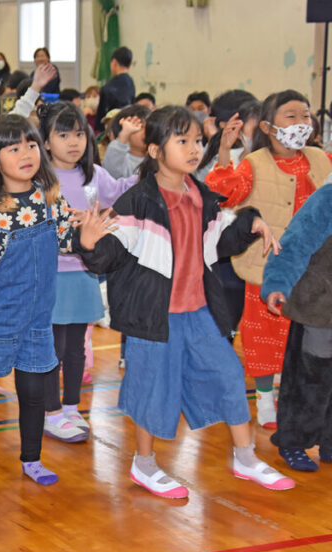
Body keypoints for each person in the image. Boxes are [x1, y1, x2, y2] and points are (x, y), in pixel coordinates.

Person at [75, 105, 292, 497]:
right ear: (156, 151)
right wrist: (90, 244)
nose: (194, 149)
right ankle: (144, 464)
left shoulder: (201, 196)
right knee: (152, 388)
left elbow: (222, 240)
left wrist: (251, 222)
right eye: (182, 141)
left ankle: (245, 457)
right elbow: (112, 251)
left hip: (199, 312)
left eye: (197, 141)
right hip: (154, 316)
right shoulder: (139, 202)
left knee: (229, 374)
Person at [0, 114, 83, 486]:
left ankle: (32, 459)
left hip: (37, 317)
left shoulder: (48, 196)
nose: (26, 153)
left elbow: (66, 240)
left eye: (31, 145)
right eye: (14, 149)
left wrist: (85, 232)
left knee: (33, 391)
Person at [205, 90, 332, 437]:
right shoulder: (255, 163)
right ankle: (264, 399)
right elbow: (224, 193)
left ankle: (300, 401)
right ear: (267, 126)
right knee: (263, 335)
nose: (301, 123)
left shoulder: (322, 159)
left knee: (303, 338)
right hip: (266, 265)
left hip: (315, 270)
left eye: (305, 116)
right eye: (291, 116)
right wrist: (224, 151)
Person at [37, 101, 136, 442]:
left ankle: (70, 407)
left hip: (84, 271)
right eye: (63, 135)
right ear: (46, 141)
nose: (73, 142)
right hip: (50, 273)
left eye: (79, 134)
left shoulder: (93, 174)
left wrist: (151, 169)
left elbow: (120, 193)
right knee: (52, 347)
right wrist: (66, 221)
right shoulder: (39, 178)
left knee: (77, 347)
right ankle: (50, 412)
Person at [262, 185, 332, 471]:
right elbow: (295, 243)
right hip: (318, 306)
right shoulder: (327, 199)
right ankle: (293, 441)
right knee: (309, 378)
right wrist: (278, 282)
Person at [103, 104, 151, 179]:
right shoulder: (120, 159)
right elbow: (111, 171)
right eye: (140, 126)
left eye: (149, 127)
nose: (146, 131)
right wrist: (123, 135)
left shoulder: (155, 158)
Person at [96, 46, 135, 125]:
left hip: (110, 125)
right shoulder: (131, 84)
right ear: (130, 65)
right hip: (127, 123)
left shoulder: (108, 86)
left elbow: (101, 114)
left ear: (114, 62)